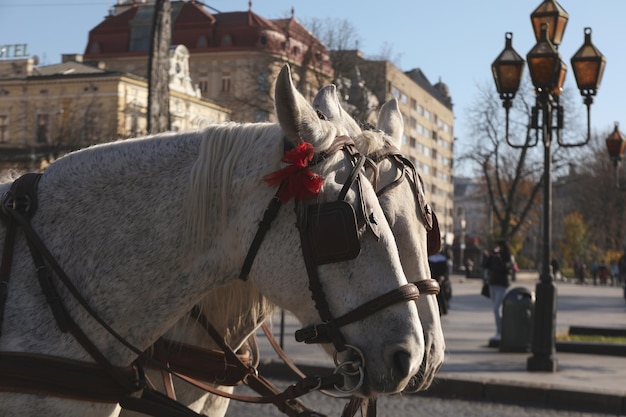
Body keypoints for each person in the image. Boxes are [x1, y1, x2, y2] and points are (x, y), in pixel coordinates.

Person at [484, 240, 512, 343]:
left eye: (499, 246)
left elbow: (506, 268)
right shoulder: (494, 257)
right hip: (493, 283)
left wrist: (499, 258)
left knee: (497, 309)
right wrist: (490, 256)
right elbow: (486, 266)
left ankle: (500, 332)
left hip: (502, 285)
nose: (498, 248)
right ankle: (499, 331)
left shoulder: (507, 256)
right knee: (495, 309)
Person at [428, 249, 452, 315]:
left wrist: (443, 276)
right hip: (433, 278)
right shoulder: (430, 258)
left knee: (442, 296)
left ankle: (443, 309)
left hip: (441, 280)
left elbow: (446, 270)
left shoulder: (443, 259)